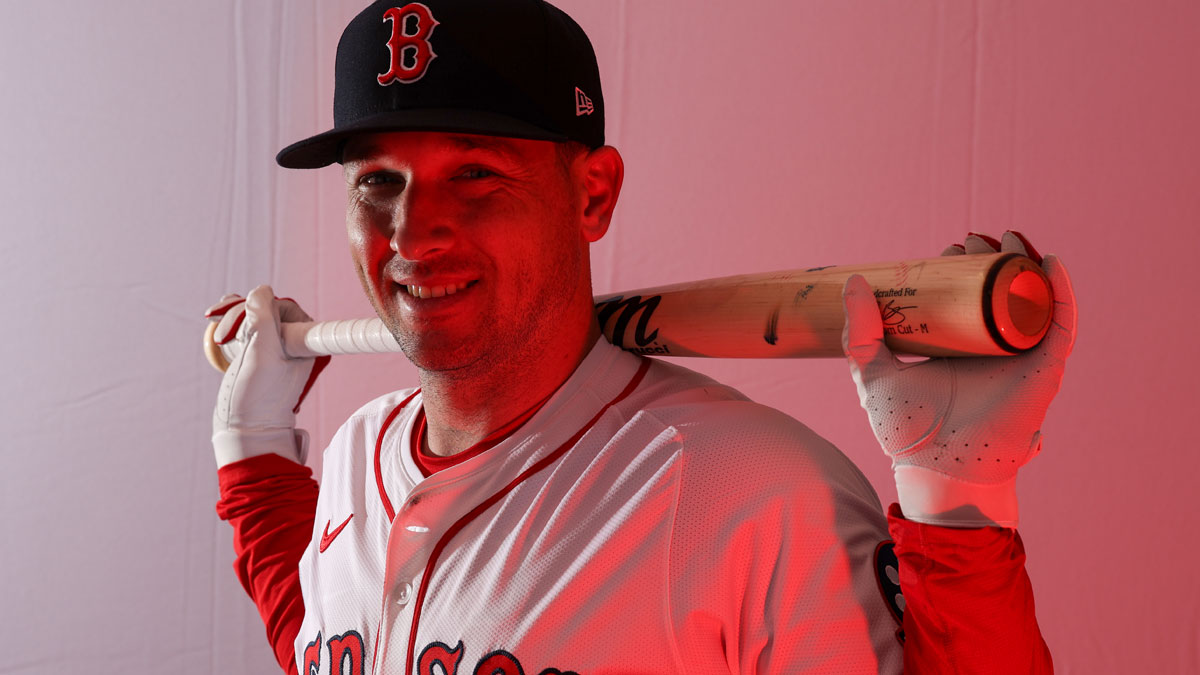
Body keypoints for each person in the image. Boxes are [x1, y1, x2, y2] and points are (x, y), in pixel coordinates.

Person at [206, 1, 1074, 673]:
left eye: (474, 173)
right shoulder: (361, 451)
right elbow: (334, 642)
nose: (412, 232)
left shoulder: (753, 493)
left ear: (593, 194)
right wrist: (252, 456)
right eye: (379, 182)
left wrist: (957, 505)